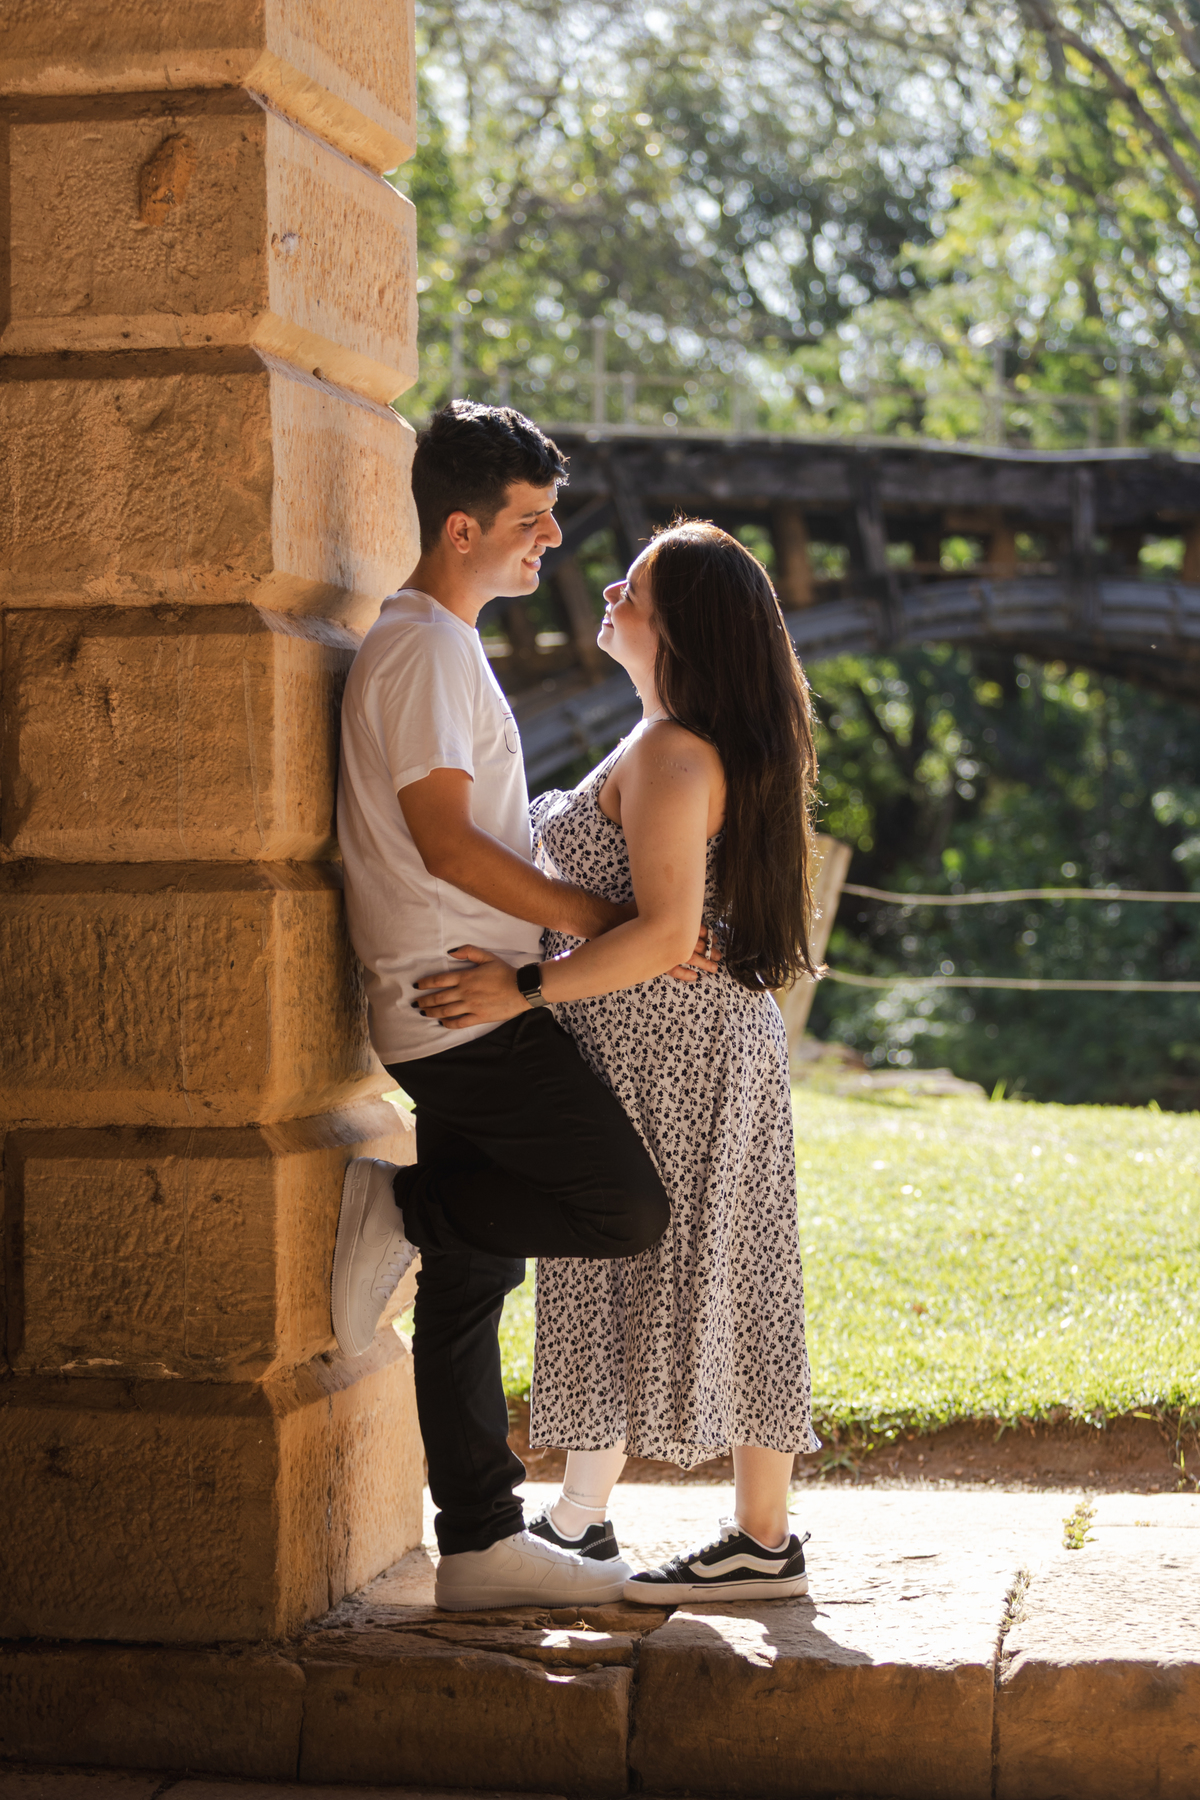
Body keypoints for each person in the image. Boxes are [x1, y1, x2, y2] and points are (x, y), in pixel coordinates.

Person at [332, 402, 716, 1613]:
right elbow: (447, 842)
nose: (553, 546)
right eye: (533, 523)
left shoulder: (428, 644)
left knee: (470, 1284)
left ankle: (483, 1545)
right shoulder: (433, 650)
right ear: (461, 528)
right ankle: (402, 1206)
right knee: (621, 1204)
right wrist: (602, 923)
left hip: (450, 995)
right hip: (465, 1004)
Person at [414, 520, 821, 1603]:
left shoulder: (673, 754)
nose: (607, 587)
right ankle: (639, 1527)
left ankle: (717, 1537)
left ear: (677, 623)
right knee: (700, 1268)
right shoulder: (668, 742)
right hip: (685, 1046)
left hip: (670, 1050)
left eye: (632, 584)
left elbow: (660, 932)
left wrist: (522, 986)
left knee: (670, 1264)